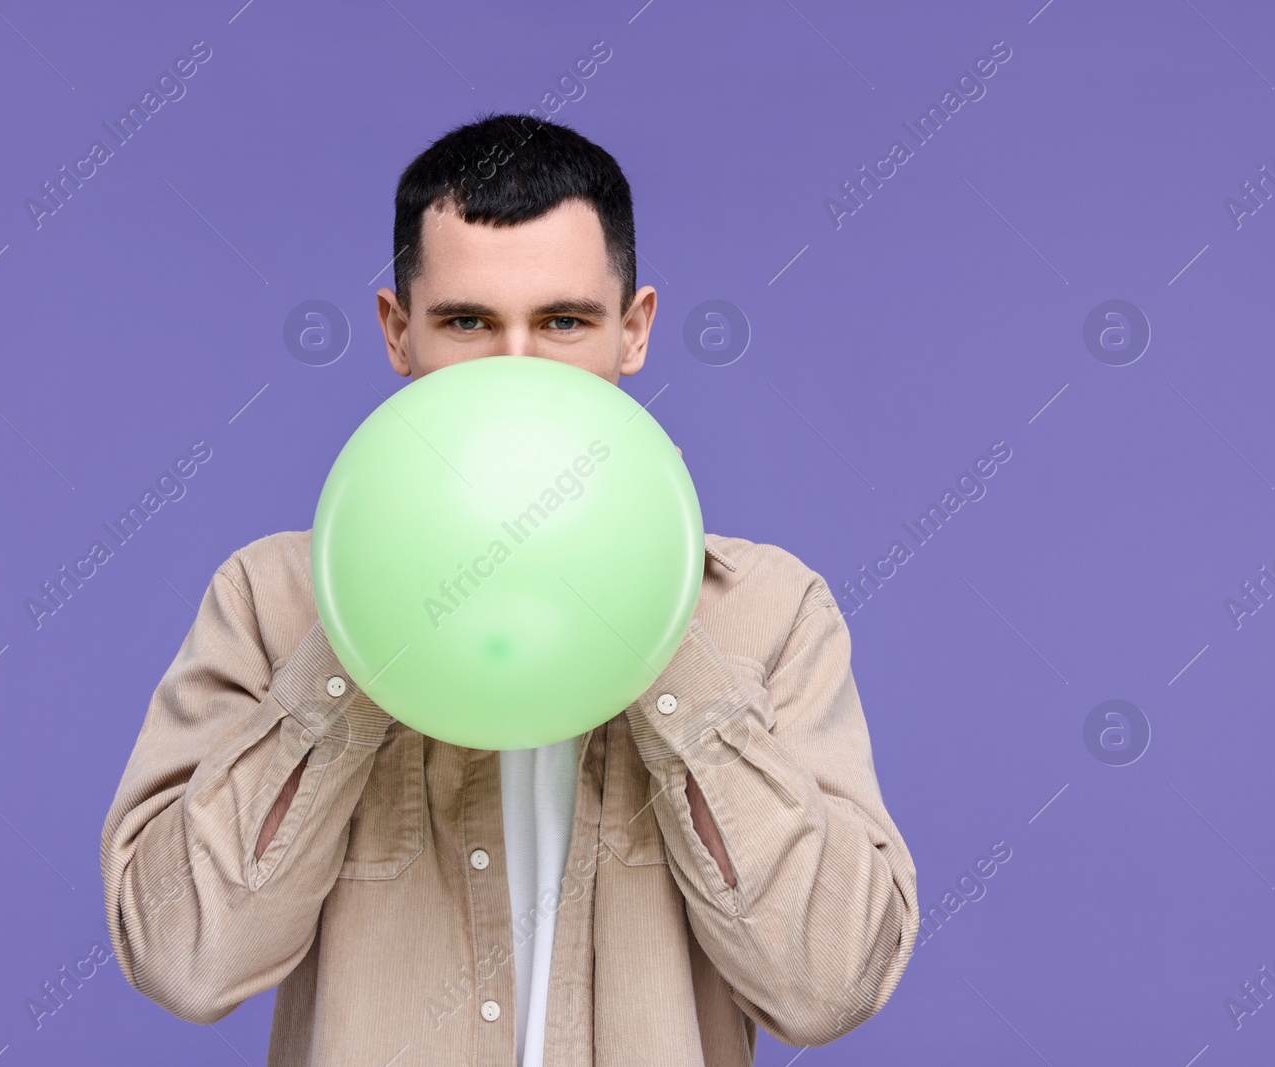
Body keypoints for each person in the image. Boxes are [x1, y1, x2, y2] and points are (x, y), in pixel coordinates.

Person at [100, 113, 919, 1066]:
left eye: (564, 322)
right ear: (399, 334)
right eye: (467, 323)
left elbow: (831, 988)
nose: (517, 372)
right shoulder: (267, 599)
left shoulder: (771, 612)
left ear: (635, 331)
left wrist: (653, 602)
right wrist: (365, 612)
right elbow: (184, 962)